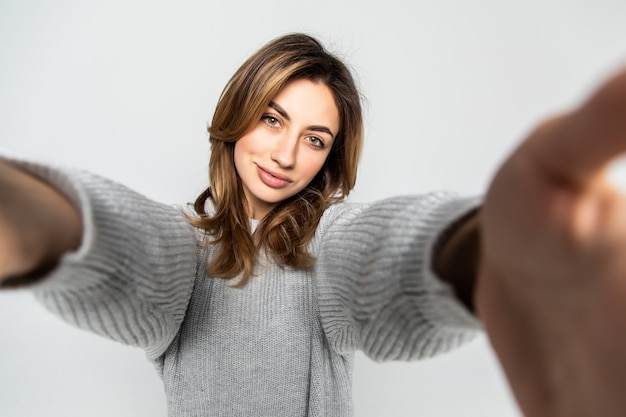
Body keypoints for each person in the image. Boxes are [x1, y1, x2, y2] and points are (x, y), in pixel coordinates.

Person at [0, 32, 625, 417]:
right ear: (238, 114)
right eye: (272, 119)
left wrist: (486, 255)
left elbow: (383, 259)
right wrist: (25, 219)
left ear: (331, 156)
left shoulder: (329, 243)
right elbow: (123, 244)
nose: (285, 155)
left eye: (315, 138)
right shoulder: (182, 249)